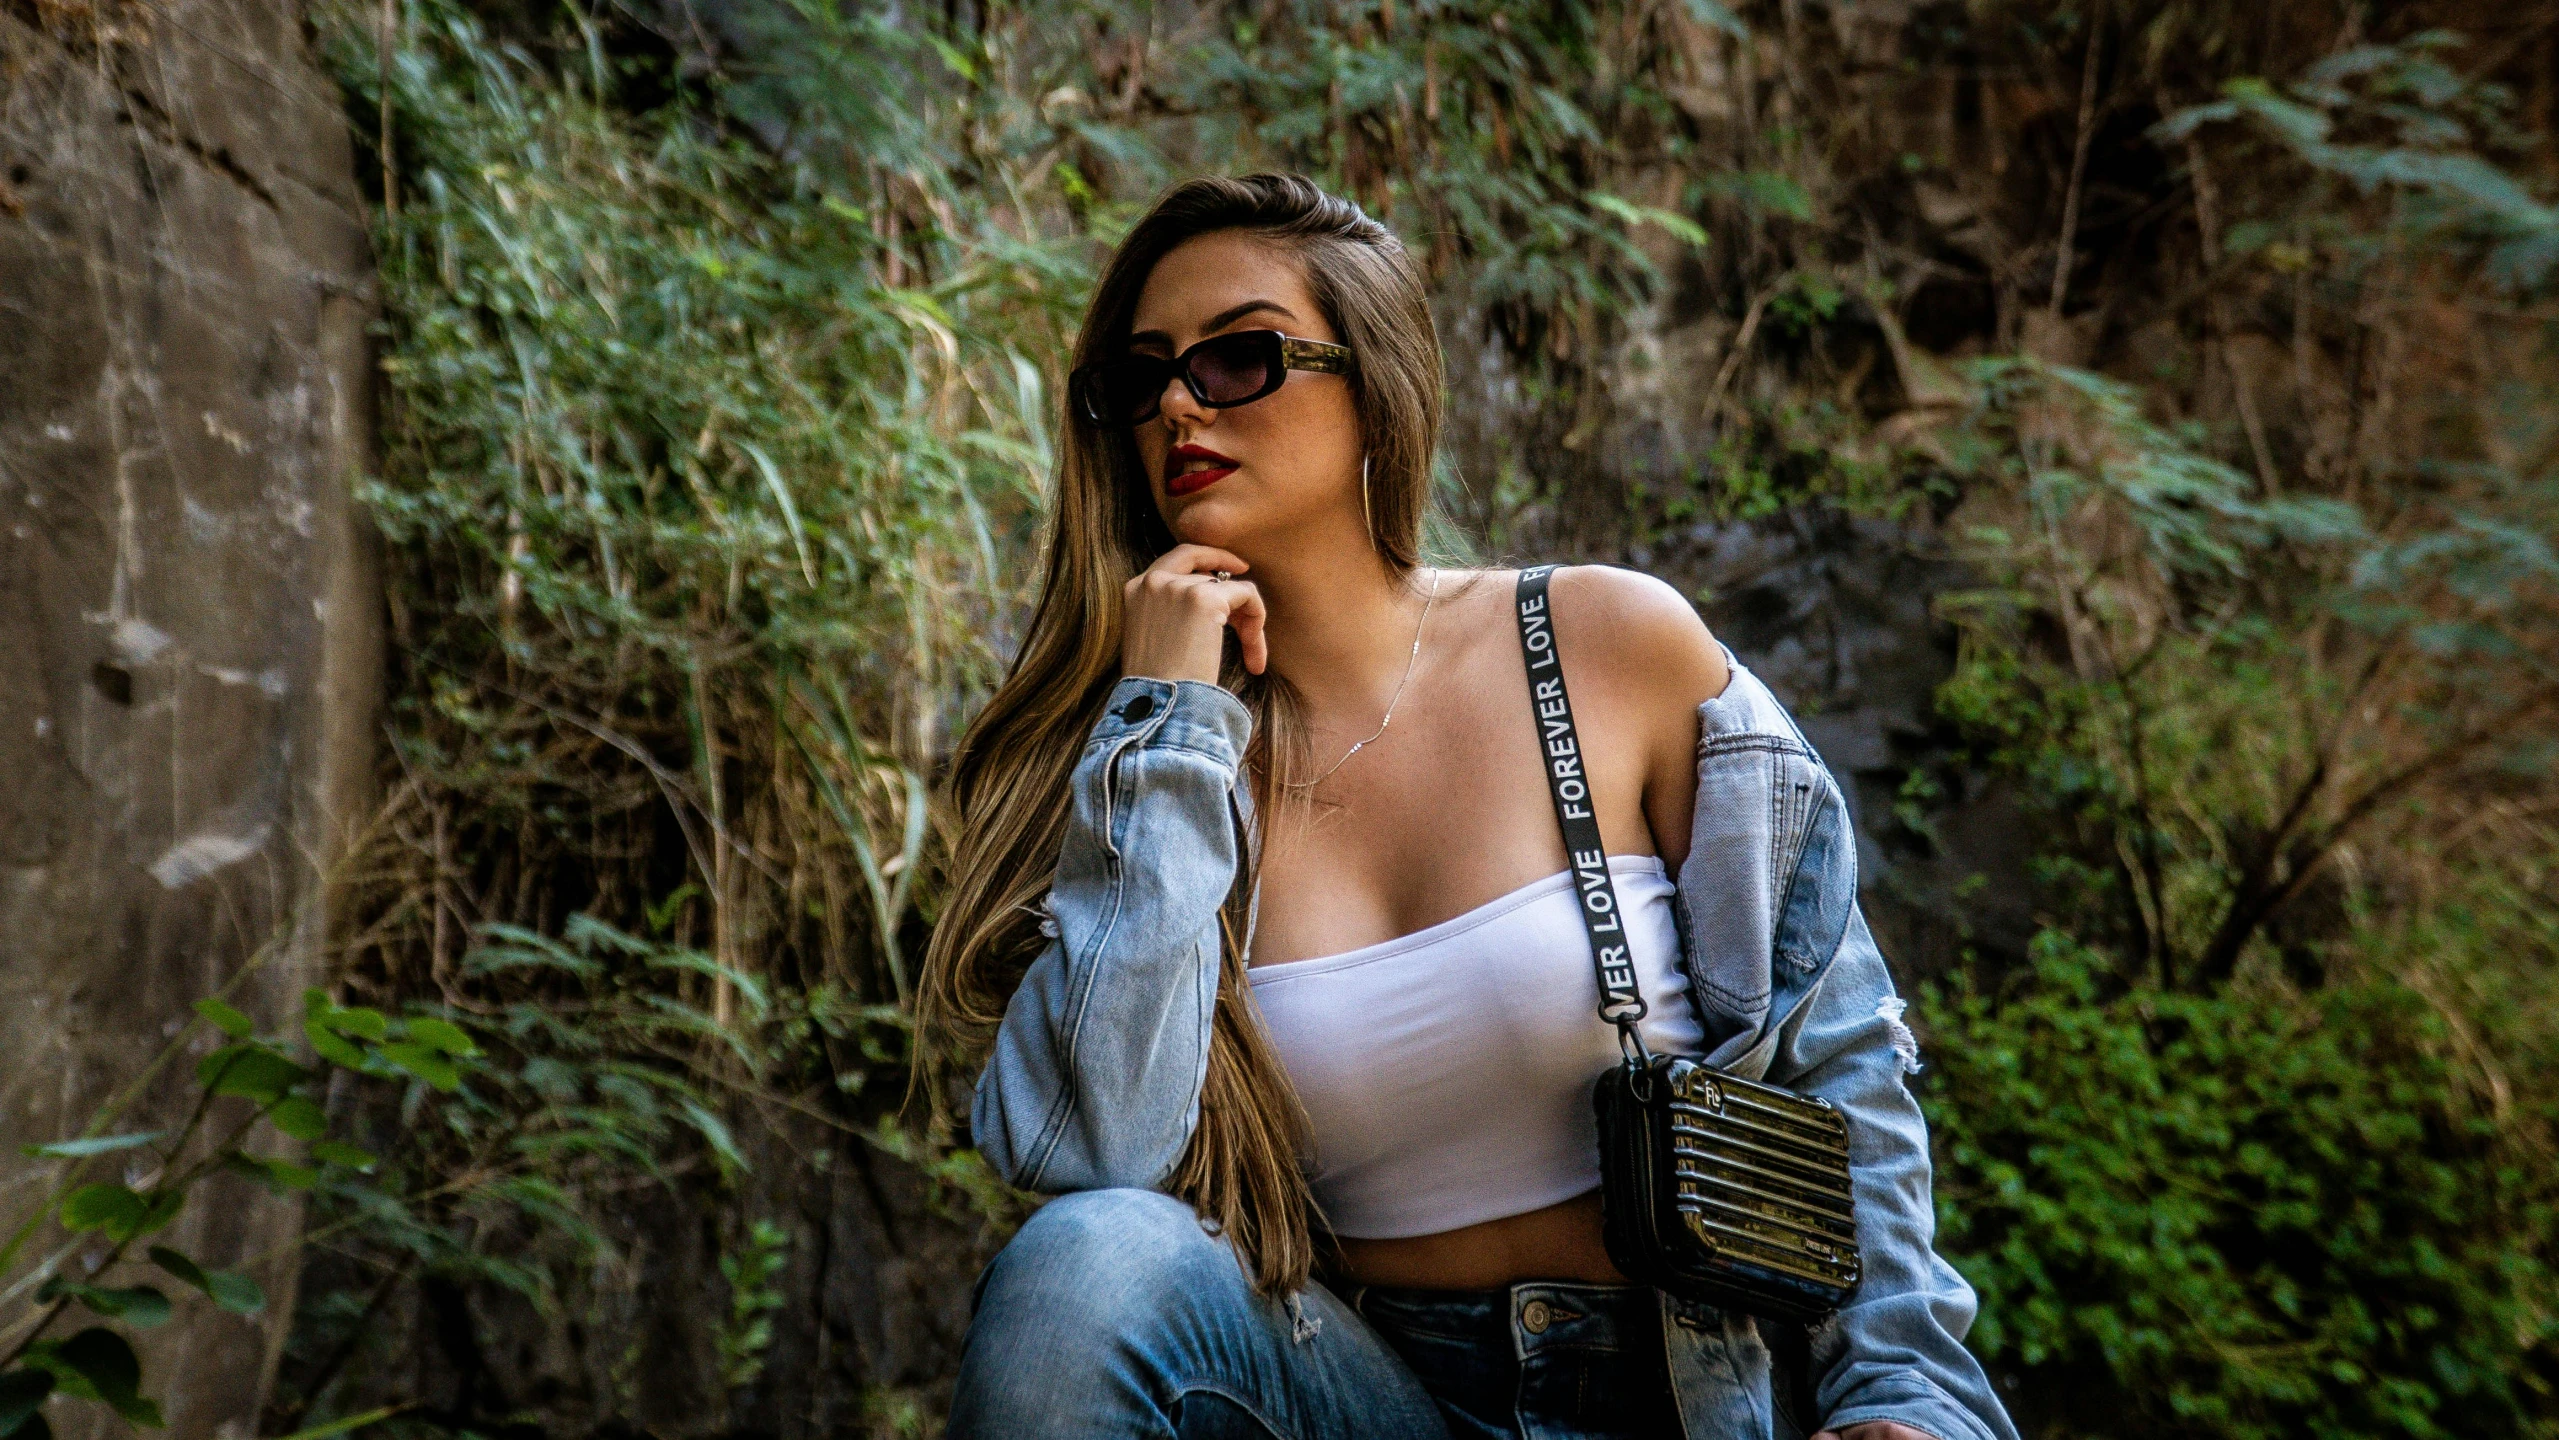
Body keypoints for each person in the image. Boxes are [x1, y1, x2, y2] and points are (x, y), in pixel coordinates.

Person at [914, 173, 2017, 1440]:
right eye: (1144, 373)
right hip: (1363, 1394)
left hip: (1677, 1382)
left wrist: (1905, 1399)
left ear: (1374, 384)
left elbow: (1844, 1059)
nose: (1176, 401)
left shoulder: (1607, 644)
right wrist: (1169, 721)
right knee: (1088, 1266)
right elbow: (1083, 1157)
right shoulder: (1149, 766)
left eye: (1239, 358)